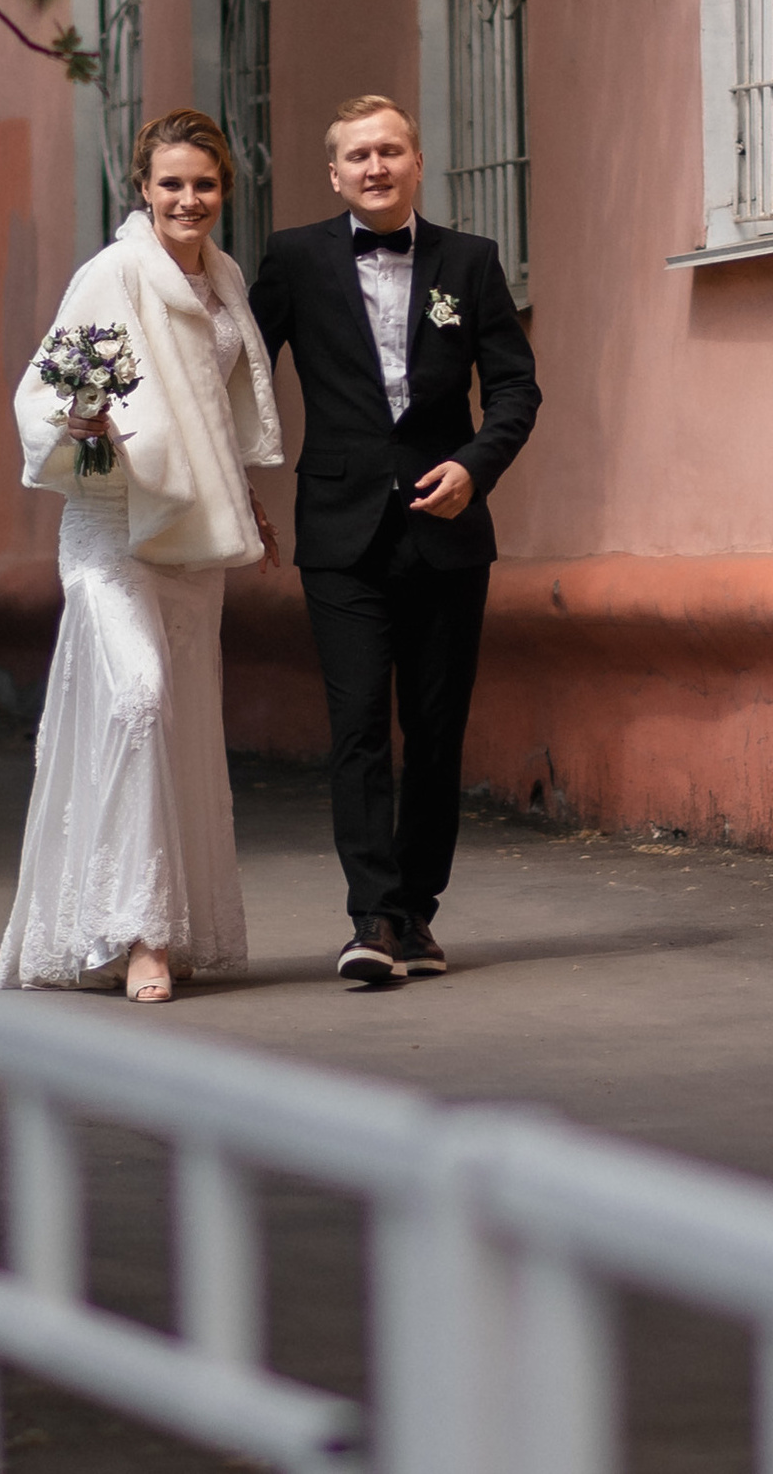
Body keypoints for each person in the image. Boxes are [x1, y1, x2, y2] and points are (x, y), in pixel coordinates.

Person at [248, 92, 540, 991]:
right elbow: (236, 372)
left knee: (438, 728)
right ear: (334, 174)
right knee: (358, 726)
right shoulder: (294, 259)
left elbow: (518, 391)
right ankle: (370, 915)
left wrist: (474, 467)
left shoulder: (472, 262)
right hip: (339, 532)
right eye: (357, 157)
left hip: (447, 532)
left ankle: (416, 912)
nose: (375, 168)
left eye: (390, 152)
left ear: (417, 162)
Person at [0, 108, 283, 1003]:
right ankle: (135, 934)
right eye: (171, 184)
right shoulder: (112, 274)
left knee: (185, 719)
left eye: (203, 183)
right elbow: (51, 396)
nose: (187, 198)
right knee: (138, 699)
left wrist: (248, 503)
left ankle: (171, 922)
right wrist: (83, 426)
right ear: (143, 189)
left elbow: (210, 413)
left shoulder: (226, 279)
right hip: (114, 527)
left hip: (195, 535)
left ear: (224, 189)